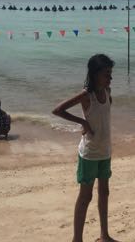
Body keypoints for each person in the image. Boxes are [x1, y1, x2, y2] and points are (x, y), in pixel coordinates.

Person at [51, 54, 117, 242]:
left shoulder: (108, 91)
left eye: (111, 73)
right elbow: (58, 110)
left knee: (104, 192)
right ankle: (77, 239)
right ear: (95, 74)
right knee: (85, 197)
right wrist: (83, 122)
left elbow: (104, 116)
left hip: (105, 151)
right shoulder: (86, 96)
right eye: (106, 74)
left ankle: (104, 235)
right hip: (89, 154)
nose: (110, 78)